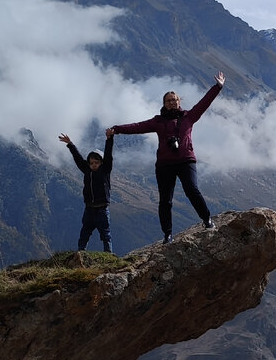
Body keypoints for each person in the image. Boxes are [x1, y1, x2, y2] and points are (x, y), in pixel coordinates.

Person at [107, 72, 224, 244]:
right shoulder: (157, 121)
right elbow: (137, 127)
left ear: (179, 102)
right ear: (164, 104)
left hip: (186, 160)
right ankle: (167, 235)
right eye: (169, 100)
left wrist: (218, 87)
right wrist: (116, 129)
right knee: (165, 200)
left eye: (175, 99)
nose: (172, 102)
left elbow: (204, 103)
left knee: (192, 190)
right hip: (165, 164)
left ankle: (207, 220)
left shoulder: (189, 117)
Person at [59, 130, 114, 253]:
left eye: (96, 163)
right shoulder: (87, 171)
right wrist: (70, 144)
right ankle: (81, 252)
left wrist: (109, 139)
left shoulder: (105, 170)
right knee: (85, 232)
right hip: (89, 209)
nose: (93, 165)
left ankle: (109, 254)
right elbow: (78, 159)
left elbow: (109, 155)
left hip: (102, 209)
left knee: (105, 234)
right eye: (91, 163)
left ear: (102, 162)